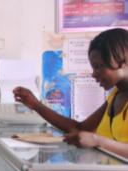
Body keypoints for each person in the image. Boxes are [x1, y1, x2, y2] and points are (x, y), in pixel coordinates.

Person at [13, 28, 128, 157]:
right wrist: (35, 104)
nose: (94, 74)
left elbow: (95, 138)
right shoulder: (115, 95)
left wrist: (98, 141)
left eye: (99, 66)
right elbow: (80, 128)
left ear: (123, 62)